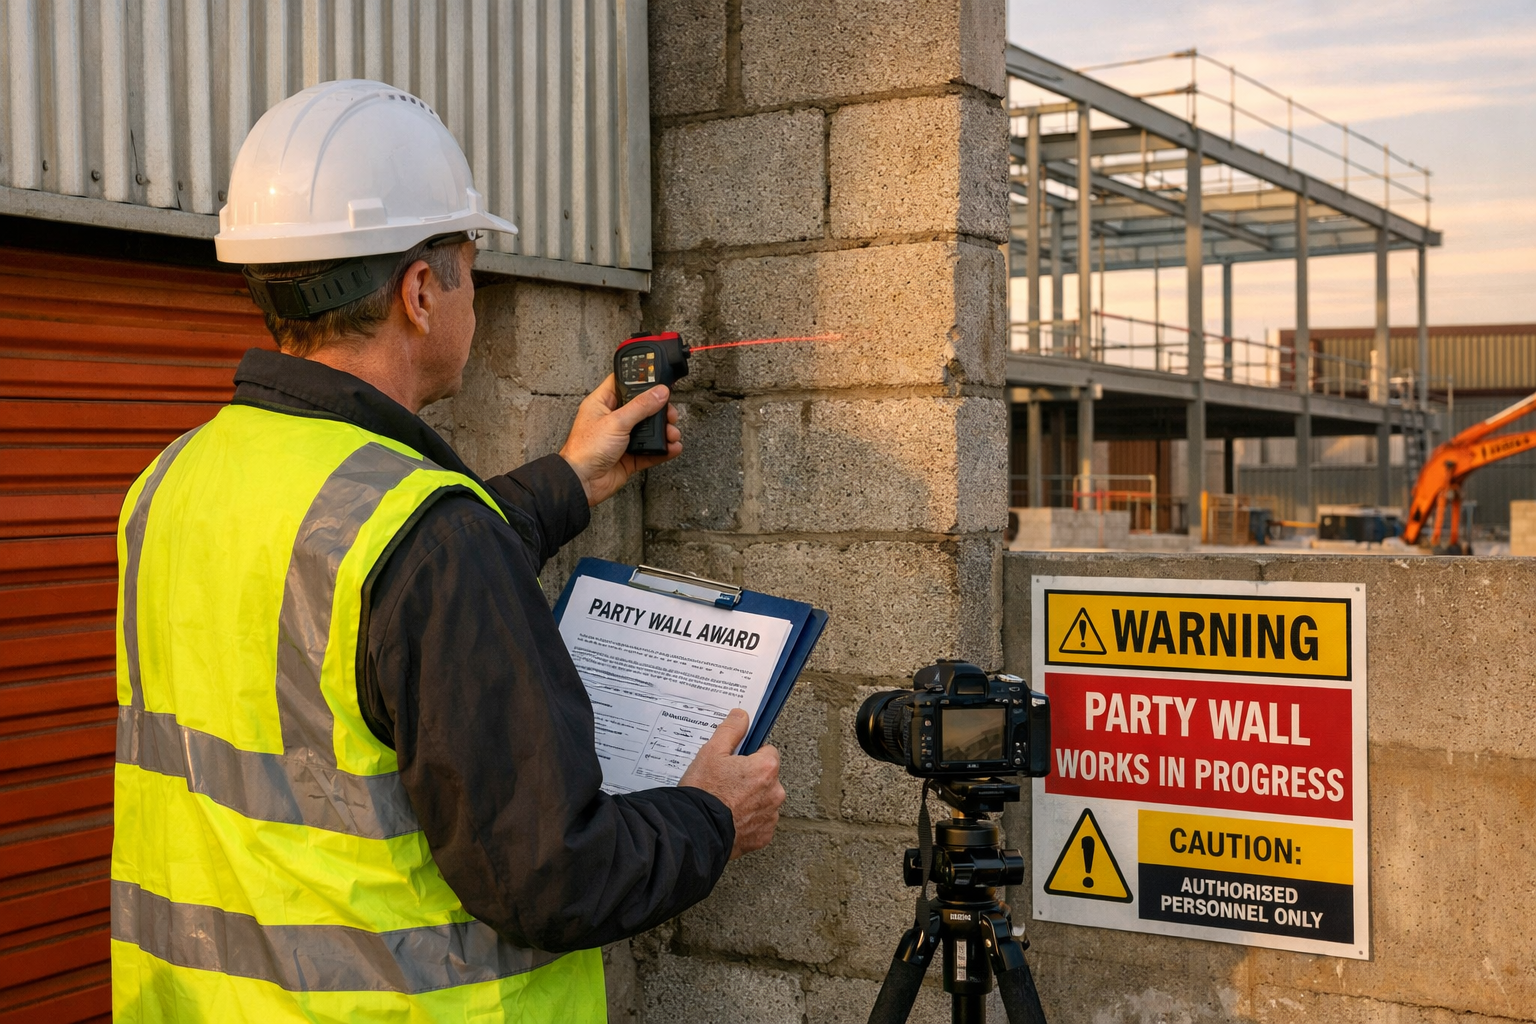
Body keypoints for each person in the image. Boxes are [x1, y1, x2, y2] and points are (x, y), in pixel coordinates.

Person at [110, 79, 784, 1023]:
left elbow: (355, 613)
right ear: (422, 292)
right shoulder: (429, 537)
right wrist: (711, 816)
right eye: (474, 265)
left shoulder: (172, 481)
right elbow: (556, 877)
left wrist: (570, 477)